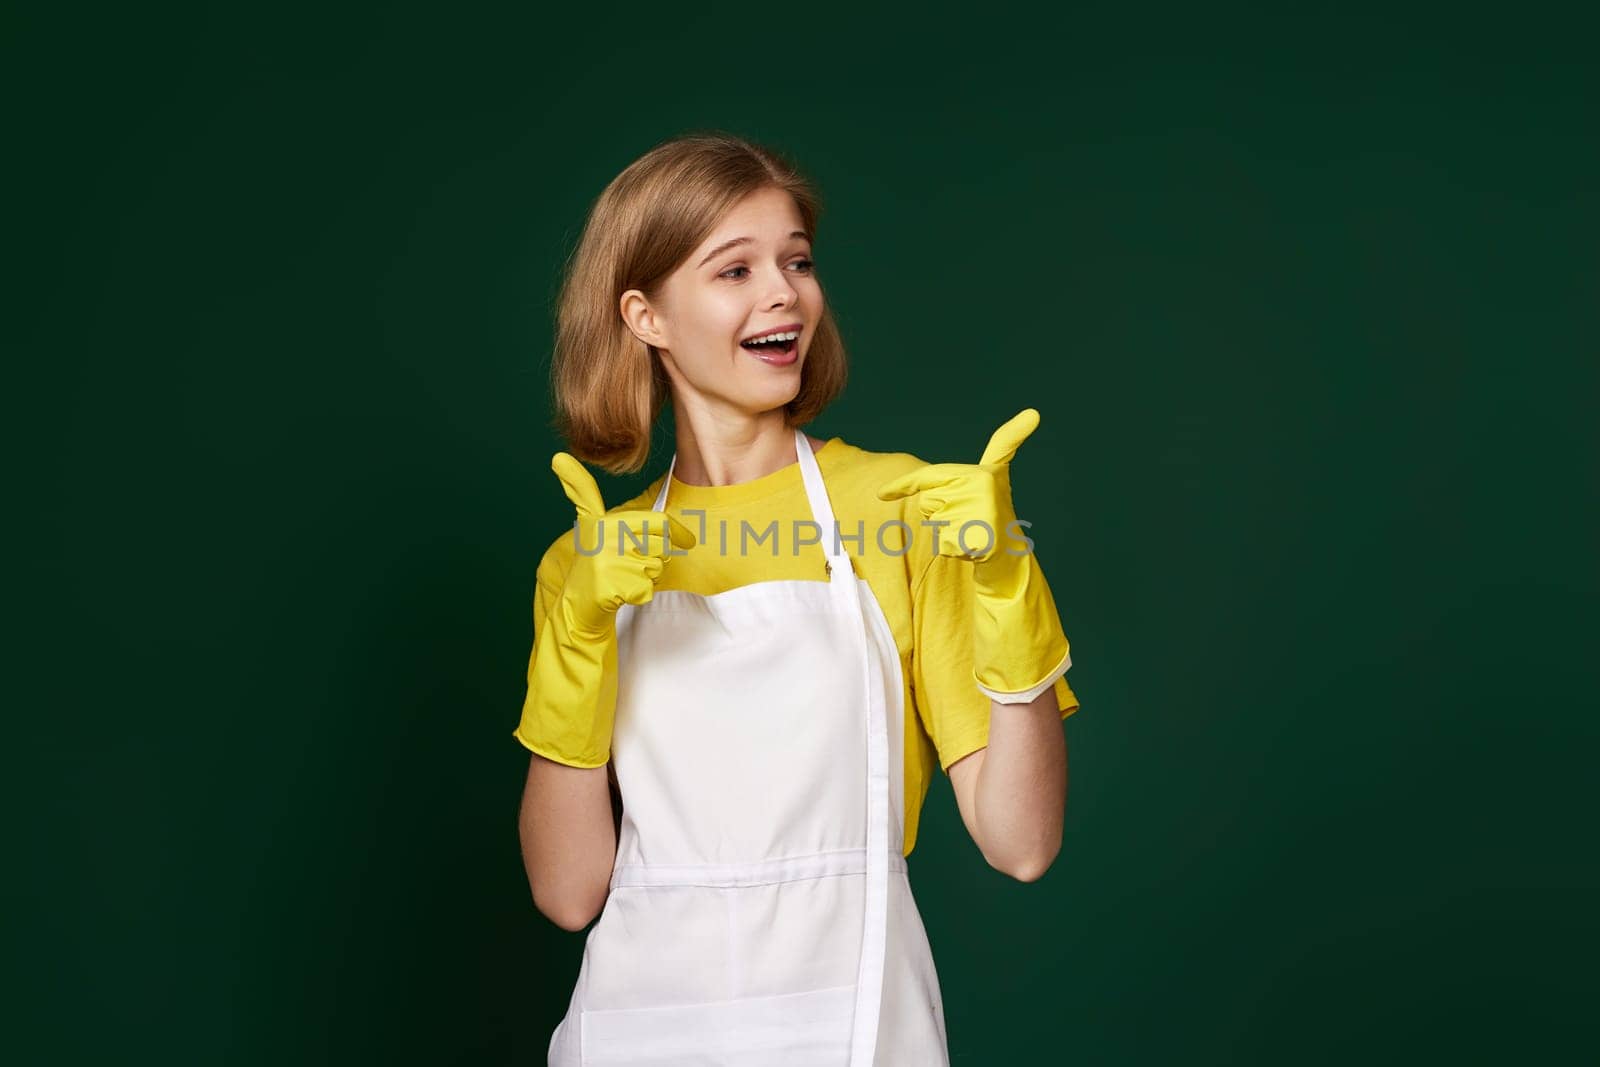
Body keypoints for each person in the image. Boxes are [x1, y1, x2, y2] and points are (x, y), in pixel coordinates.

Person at [513, 132, 1081, 1066]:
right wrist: (577, 635)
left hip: (853, 1024)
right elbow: (570, 891)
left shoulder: (904, 509)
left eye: (797, 261)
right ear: (646, 315)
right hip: (641, 1029)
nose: (784, 292)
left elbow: (1021, 841)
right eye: (734, 269)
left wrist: (1009, 593)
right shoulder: (590, 561)